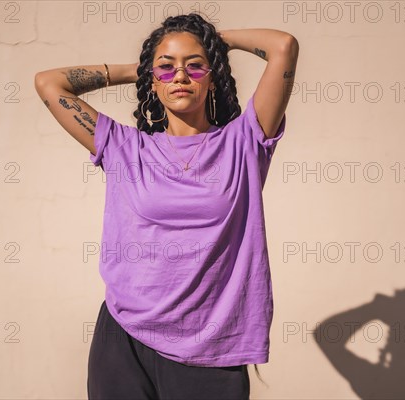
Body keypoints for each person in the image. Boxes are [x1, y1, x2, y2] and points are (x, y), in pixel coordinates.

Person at [34, 12, 299, 400]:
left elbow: (283, 47)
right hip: (124, 336)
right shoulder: (125, 148)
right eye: (166, 68)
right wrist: (142, 68)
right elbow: (49, 83)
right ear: (152, 82)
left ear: (212, 78)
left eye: (195, 67)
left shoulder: (244, 141)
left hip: (212, 346)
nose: (180, 76)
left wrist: (207, 41)